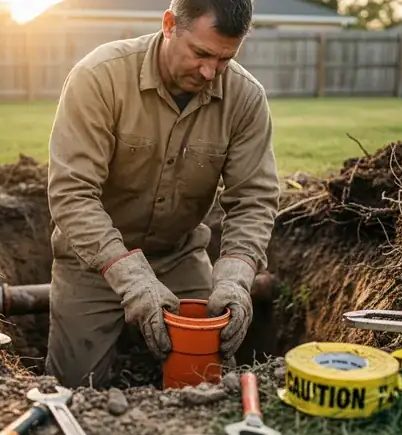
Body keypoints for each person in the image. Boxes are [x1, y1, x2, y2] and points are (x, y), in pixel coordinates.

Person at [45, 0, 280, 389]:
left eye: (224, 59)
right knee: (73, 388)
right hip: (91, 260)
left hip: (179, 255)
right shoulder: (99, 77)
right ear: (169, 24)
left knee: (212, 381)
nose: (210, 72)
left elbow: (253, 199)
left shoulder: (246, 98)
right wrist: (133, 279)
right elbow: (72, 193)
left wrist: (236, 278)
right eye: (201, 53)